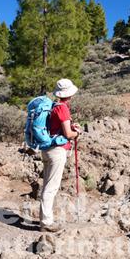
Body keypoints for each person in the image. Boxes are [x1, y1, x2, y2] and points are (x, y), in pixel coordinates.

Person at [40, 78, 81, 232]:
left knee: (47, 186)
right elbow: (68, 134)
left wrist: (71, 126)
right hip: (57, 150)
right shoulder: (63, 108)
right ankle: (46, 223)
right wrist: (76, 132)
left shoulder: (53, 106)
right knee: (51, 188)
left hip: (47, 149)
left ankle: (44, 219)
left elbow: (57, 127)